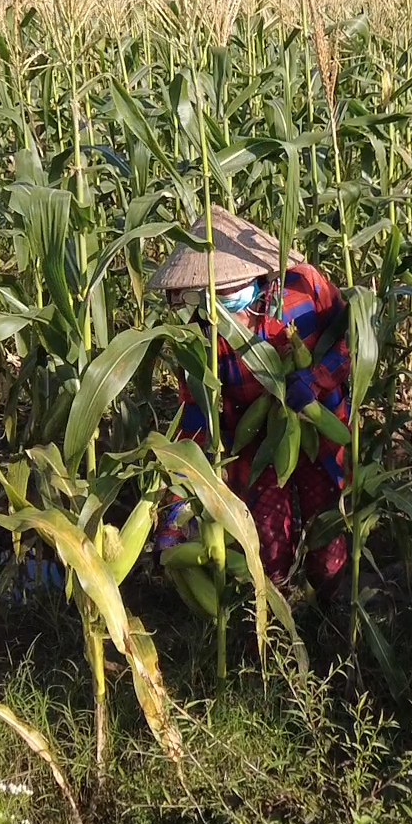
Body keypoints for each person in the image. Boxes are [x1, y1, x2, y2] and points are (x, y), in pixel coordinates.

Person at [146, 206, 351, 596]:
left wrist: (317, 379)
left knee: (329, 549)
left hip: (319, 433)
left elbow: (350, 339)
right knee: (268, 551)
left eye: (227, 292)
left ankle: (328, 613)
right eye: (208, 297)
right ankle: (274, 619)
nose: (220, 307)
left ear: (254, 274)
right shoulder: (203, 336)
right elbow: (196, 419)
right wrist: (177, 505)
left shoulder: (304, 288)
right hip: (255, 446)